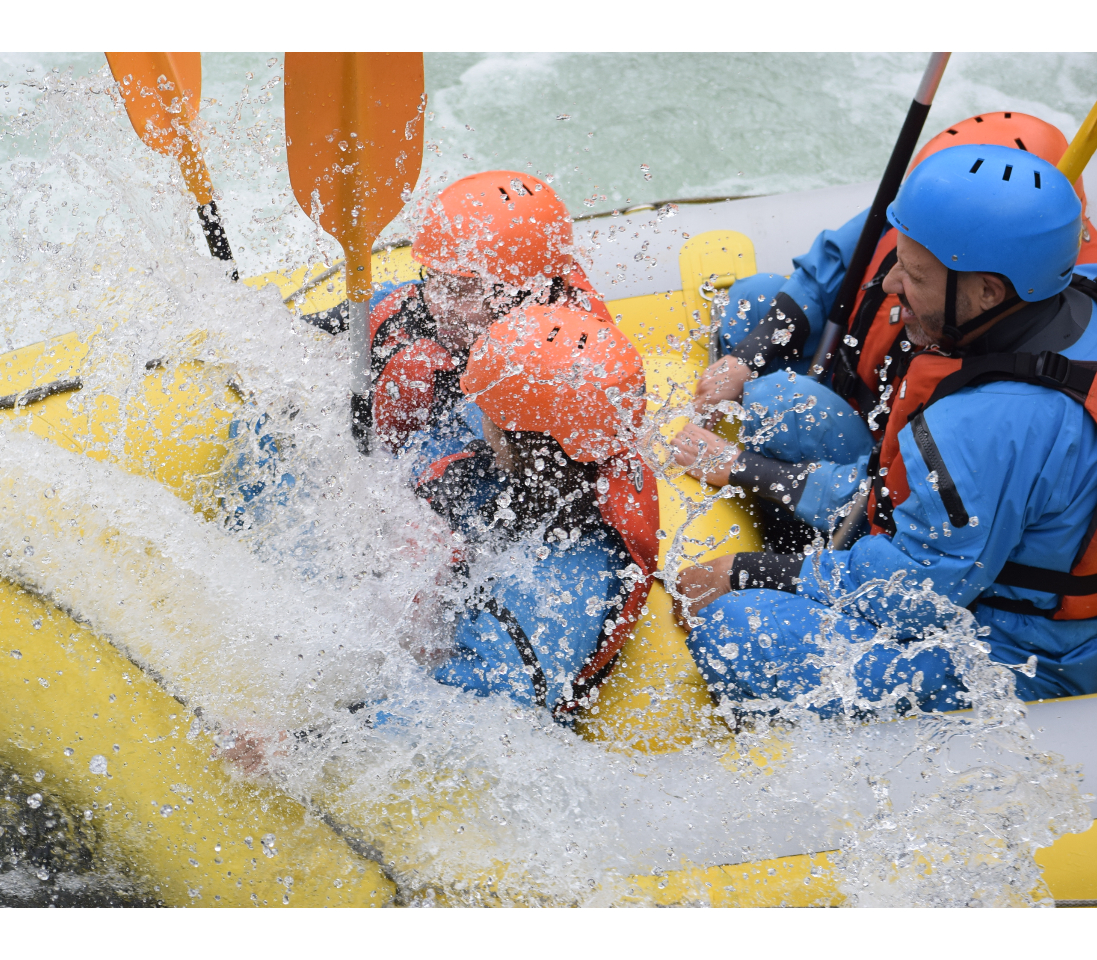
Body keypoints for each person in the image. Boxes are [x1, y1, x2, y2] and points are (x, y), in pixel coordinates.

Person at [675, 143, 1097, 717]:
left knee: (739, 628)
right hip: (1001, 578)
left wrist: (747, 571)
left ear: (989, 292)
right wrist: (753, 473)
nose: (893, 283)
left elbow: (914, 594)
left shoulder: (988, 421)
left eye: (916, 275)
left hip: (1023, 656)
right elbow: (891, 500)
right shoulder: (1075, 303)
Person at [675, 113, 1097, 538]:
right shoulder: (927, 220)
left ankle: (786, 530)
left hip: (889, 463)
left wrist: (745, 469)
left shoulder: (1002, 306)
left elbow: (923, 484)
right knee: (756, 298)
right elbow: (826, 270)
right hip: (859, 387)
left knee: (782, 402)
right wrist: (746, 360)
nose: (896, 277)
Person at [407, 302, 658, 719]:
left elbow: (483, 714)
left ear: (510, 434)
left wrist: (306, 740)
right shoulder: (576, 444)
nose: (476, 408)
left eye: (485, 407)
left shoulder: (551, 592)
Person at [304, 170, 611, 459]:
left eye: (462, 290)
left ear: (531, 296)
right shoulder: (405, 310)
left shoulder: (565, 373)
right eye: (435, 278)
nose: (438, 305)